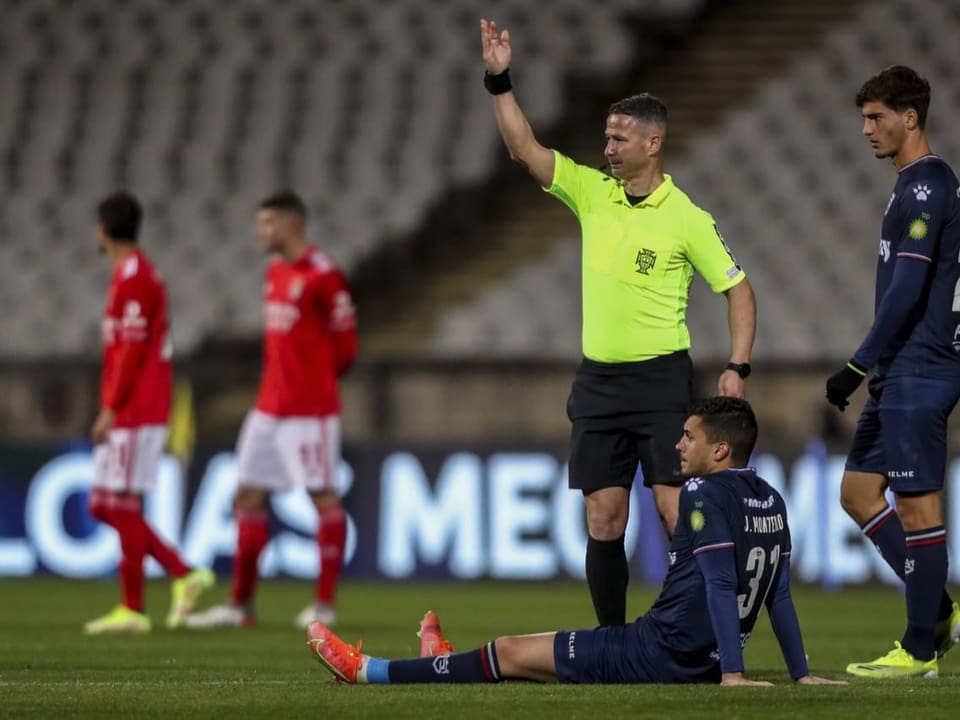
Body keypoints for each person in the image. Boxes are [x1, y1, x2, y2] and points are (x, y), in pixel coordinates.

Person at [479, 18, 757, 626]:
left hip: (661, 382)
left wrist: (736, 367)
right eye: (606, 137)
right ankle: (611, 640)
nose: (607, 148)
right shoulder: (591, 192)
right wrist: (499, 79)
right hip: (599, 383)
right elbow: (524, 149)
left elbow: (738, 291)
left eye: (619, 139)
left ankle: (694, 631)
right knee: (604, 516)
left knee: (672, 511)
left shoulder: (686, 217)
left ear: (652, 144)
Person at [306, 398, 844, 687]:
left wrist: (732, 676)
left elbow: (723, 582)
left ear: (720, 450)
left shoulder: (703, 492)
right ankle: (443, 663)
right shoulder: (771, 498)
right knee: (523, 663)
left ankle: (370, 670)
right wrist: (802, 673)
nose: (677, 445)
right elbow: (779, 597)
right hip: (695, 658)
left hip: (657, 653)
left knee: (509, 651)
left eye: (689, 437)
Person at [824, 65, 960, 678]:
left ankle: (920, 647)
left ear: (911, 118)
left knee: (919, 508)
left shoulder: (927, 187)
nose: (865, 129)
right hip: (904, 368)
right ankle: (940, 611)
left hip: (921, 366)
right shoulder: (910, 185)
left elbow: (907, 288)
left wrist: (856, 366)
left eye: (877, 117)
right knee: (858, 493)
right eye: (864, 117)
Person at [185, 190, 358, 629]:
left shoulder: (323, 275)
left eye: (267, 223)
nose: (260, 231)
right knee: (246, 495)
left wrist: (313, 385)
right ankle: (240, 607)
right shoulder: (275, 272)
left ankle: (323, 605)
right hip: (268, 407)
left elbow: (347, 347)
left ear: (292, 224)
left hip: (309, 411)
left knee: (322, 497)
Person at [84, 191, 214, 634]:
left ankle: (134, 607)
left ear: (103, 230)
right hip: (131, 408)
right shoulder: (128, 275)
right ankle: (181, 572)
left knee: (120, 503)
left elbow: (132, 353)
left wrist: (109, 408)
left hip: (138, 409)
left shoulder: (137, 277)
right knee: (103, 504)